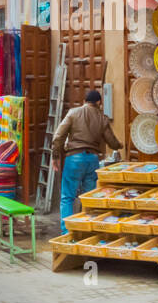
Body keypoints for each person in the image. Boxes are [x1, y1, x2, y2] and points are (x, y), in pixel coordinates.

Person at [52, 88, 122, 234]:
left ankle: (67, 232)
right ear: (98, 102)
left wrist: (55, 156)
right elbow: (112, 141)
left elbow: (58, 136)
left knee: (67, 197)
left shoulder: (73, 113)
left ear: (84, 101)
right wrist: (120, 145)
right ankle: (87, 231)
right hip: (92, 159)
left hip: (74, 158)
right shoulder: (102, 118)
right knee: (89, 198)